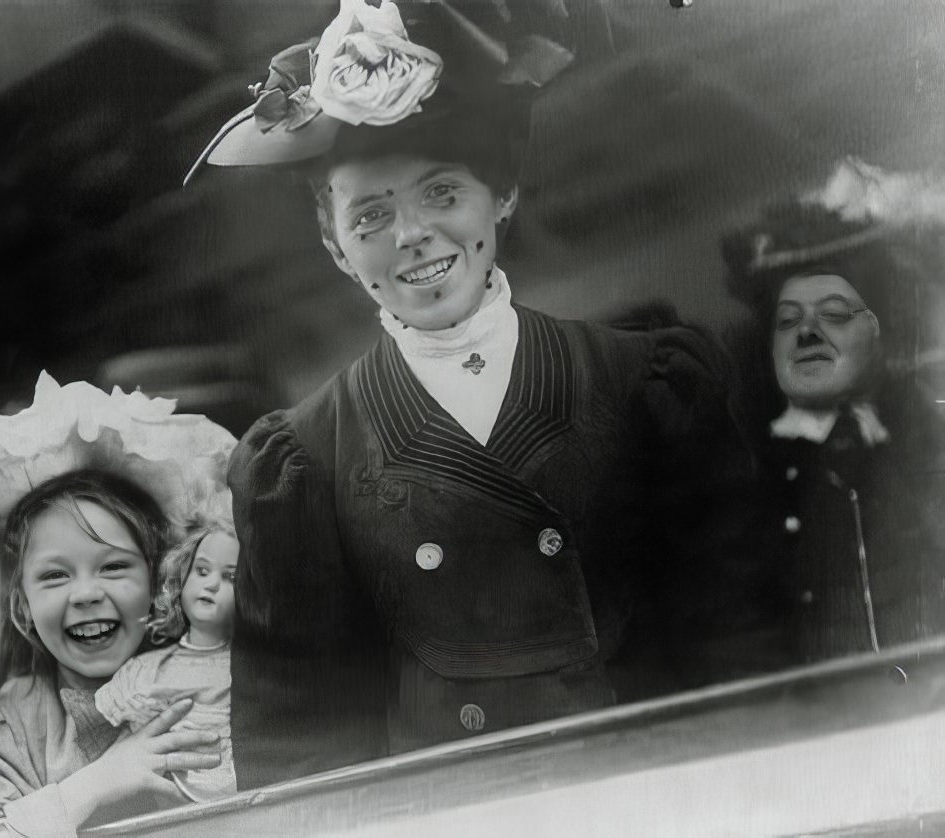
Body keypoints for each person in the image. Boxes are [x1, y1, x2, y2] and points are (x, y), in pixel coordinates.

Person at [187, 0, 745, 788]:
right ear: (335, 247)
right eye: (369, 215)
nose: (409, 234)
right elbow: (300, 749)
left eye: (442, 194)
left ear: (503, 193)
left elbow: (740, 643)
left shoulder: (646, 384)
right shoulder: (303, 460)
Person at [0, 373, 238, 837]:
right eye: (55, 576)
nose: (86, 593)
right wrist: (95, 785)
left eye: (114, 568)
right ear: (22, 607)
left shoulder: (212, 682)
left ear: (160, 583)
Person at [721, 159, 945, 666]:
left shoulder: (931, 439)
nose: (808, 334)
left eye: (834, 314)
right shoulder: (740, 474)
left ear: (876, 330)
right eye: (789, 318)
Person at [96, 518, 239, 802]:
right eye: (202, 571)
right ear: (181, 578)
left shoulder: (249, 669)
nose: (211, 584)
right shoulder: (144, 671)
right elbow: (97, 746)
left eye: (230, 577)